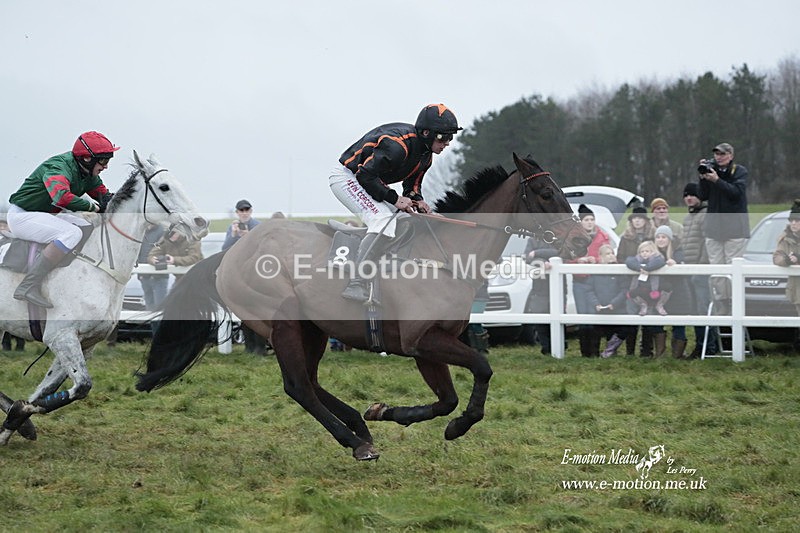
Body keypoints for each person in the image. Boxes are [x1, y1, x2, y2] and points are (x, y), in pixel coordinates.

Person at [330, 103, 461, 303]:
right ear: (426, 133)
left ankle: (383, 267)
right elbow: (364, 176)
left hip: (369, 180)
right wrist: (395, 198)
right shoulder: (396, 146)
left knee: (407, 220)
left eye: (451, 137)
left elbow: (412, 184)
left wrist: (418, 200)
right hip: (348, 177)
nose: (447, 143)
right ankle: (356, 282)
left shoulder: (426, 156)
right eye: (444, 137)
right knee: (383, 220)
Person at [6, 131, 117, 308]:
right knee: (71, 233)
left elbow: (105, 197)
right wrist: (93, 207)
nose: (106, 166)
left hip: (43, 215)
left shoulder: (87, 174)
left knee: (87, 226)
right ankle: (28, 286)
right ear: (87, 158)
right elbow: (62, 197)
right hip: (22, 216)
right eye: (103, 161)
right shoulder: (58, 167)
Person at [697, 142, 750, 310]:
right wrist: (703, 178)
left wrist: (717, 180)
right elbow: (702, 196)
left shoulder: (739, 171)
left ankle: (735, 303)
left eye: (722, 154)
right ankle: (722, 303)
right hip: (714, 229)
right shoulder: (711, 170)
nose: (719, 157)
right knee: (717, 270)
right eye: (716, 154)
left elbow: (736, 193)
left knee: (732, 268)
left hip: (734, 229)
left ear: (731, 155)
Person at [681, 182, 717, 357]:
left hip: (700, 271)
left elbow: (707, 244)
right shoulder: (688, 218)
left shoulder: (705, 215)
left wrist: (701, 267)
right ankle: (701, 345)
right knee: (694, 309)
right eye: (686, 195)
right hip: (689, 269)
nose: (689, 198)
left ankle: (708, 347)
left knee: (703, 309)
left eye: (692, 195)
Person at [571, 204, 612, 357]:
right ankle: (585, 352)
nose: (589, 222)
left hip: (597, 281)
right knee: (583, 317)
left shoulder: (602, 236)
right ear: (580, 222)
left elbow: (608, 255)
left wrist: (594, 259)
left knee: (596, 315)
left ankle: (595, 351)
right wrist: (578, 261)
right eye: (586, 219)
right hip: (580, 282)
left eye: (592, 219)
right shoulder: (573, 238)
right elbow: (566, 258)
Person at [616, 206, 655, 356]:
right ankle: (630, 351)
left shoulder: (652, 236)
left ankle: (646, 350)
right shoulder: (625, 237)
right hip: (630, 280)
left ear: (645, 221)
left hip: (649, 282)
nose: (637, 221)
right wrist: (635, 265)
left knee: (649, 314)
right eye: (634, 219)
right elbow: (620, 257)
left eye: (640, 218)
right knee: (631, 313)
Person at [585, 245, 635, 358]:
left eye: (612, 253)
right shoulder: (595, 272)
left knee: (626, 328)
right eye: (607, 254)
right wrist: (595, 303)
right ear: (601, 256)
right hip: (600, 308)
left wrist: (614, 303)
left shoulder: (620, 270)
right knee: (595, 330)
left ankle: (610, 350)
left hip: (617, 308)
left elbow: (624, 290)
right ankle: (594, 354)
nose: (611, 256)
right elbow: (589, 290)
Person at [653, 225, 693, 358]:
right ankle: (660, 353)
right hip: (659, 294)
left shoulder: (678, 251)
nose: (660, 240)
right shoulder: (652, 253)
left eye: (663, 237)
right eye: (658, 237)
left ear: (669, 239)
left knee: (679, 324)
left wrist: (675, 264)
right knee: (657, 323)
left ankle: (677, 355)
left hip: (678, 293)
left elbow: (683, 271)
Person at [772, 199, 800, 353]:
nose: (794, 224)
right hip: (796, 288)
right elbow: (777, 257)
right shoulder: (786, 239)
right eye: (792, 220)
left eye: (797, 220)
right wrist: (788, 260)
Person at [137, 224, 167, 311]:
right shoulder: (141, 231)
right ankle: (151, 324)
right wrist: (140, 273)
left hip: (159, 276)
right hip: (144, 276)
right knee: (149, 306)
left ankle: (159, 324)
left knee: (160, 307)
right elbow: (138, 252)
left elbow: (164, 250)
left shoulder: (163, 232)